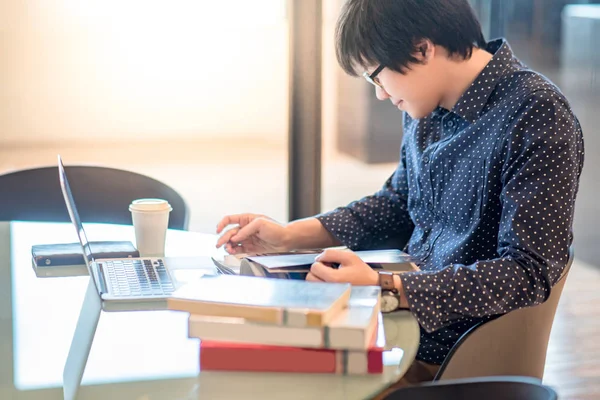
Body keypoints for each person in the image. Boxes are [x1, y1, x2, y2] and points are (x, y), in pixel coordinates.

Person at [215, 0, 584, 391]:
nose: (379, 94)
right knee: (243, 356)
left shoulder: (537, 113)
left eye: (376, 75)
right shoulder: (427, 105)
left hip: (449, 353)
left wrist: (389, 288)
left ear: (422, 48)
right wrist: (289, 236)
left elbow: (527, 273)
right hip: (390, 325)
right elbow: (397, 203)